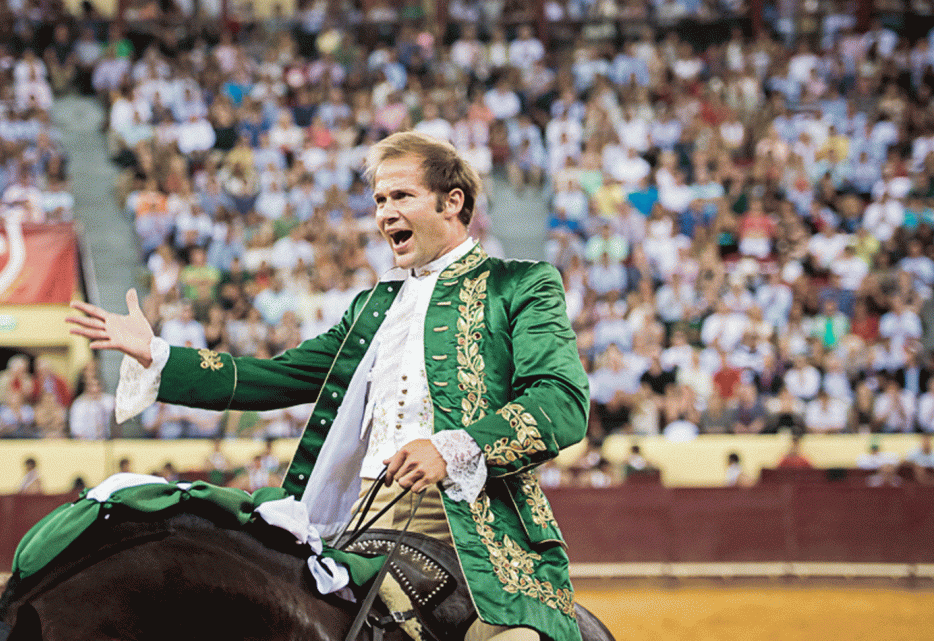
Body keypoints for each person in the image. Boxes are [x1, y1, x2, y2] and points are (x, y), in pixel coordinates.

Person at [68, 132, 589, 641]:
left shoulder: (519, 284)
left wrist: (454, 448)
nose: (385, 212)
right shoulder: (373, 308)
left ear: (452, 202)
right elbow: (277, 377)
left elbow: (561, 400)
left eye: (401, 196)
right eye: (380, 199)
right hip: (361, 525)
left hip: (474, 534)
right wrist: (159, 355)